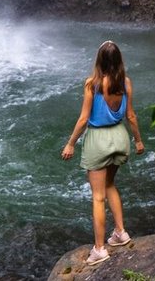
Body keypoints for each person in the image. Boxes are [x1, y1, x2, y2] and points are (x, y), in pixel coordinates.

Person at [60, 40, 146, 266]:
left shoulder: (93, 84)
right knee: (110, 186)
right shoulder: (125, 82)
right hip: (119, 138)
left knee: (98, 196)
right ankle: (120, 233)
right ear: (118, 60)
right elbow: (131, 116)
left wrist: (70, 143)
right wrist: (138, 140)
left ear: (99, 60)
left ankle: (99, 249)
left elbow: (83, 119)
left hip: (98, 141)